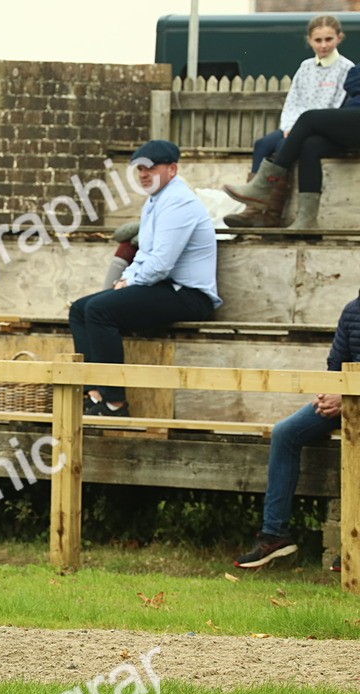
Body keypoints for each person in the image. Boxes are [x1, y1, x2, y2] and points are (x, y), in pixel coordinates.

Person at [69, 140, 220, 417]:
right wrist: (124, 280)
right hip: (162, 287)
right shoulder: (155, 201)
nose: (143, 175)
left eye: (150, 168)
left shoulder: (178, 202)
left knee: (100, 310)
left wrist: (130, 283)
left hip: (188, 295)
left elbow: (161, 264)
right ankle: (93, 393)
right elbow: (143, 255)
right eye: (139, 169)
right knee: (79, 309)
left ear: (172, 169)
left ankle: (115, 403)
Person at [234, 292, 358, 571]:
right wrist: (331, 394)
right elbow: (335, 366)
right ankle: (275, 535)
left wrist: (347, 398)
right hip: (347, 401)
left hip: (352, 400)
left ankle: (355, 548)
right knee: (285, 432)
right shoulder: (353, 310)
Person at [224, 15, 353, 228]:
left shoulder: (345, 68)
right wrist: (289, 126)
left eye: (328, 39)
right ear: (309, 40)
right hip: (296, 125)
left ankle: (273, 212)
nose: (323, 45)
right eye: (318, 40)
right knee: (263, 144)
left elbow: (337, 106)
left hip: (320, 128)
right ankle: (254, 209)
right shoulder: (306, 67)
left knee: (285, 146)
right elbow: (293, 100)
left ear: (339, 38)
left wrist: (301, 129)